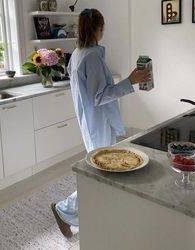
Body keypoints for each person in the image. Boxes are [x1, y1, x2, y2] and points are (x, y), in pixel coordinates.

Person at [51, 8, 151, 238]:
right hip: (98, 122)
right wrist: (130, 81)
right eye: (103, 26)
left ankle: (93, 210)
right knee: (101, 172)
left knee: (99, 170)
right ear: (99, 28)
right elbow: (99, 96)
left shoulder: (78, 53)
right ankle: (64, 209)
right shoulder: (92, 56)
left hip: (90, 121)